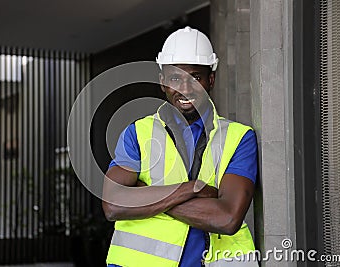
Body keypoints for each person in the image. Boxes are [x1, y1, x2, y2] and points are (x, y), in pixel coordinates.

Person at [102, 26, 258, 267]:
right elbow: (113, 204)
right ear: (163, 81)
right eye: (175, 78)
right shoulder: (137, 134)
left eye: (196, 77)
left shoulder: (239, 138)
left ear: (211, 80)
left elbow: (227, 218)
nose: (185, 89)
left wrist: (144, 196)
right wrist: (193, 188)